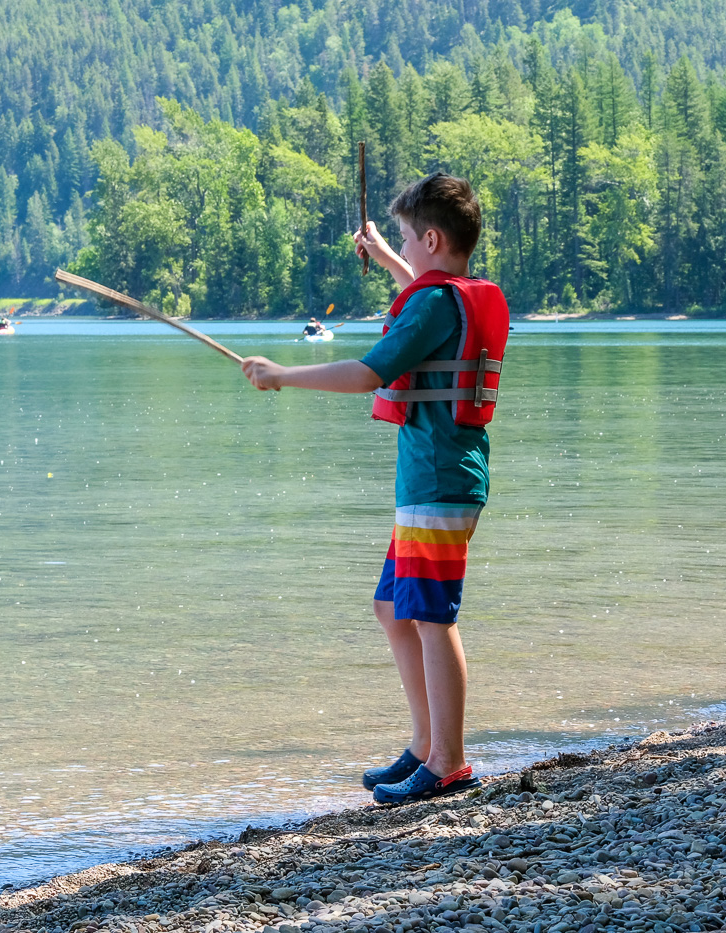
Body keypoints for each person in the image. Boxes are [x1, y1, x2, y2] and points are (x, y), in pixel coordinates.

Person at [241, 173, 510, 804]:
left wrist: (282, 375)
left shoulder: (432, 303)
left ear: (433, 237)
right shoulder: (444, 297)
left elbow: (368, 373)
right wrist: (390, 258)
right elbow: (421, 293)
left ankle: (448, 761)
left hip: (438, 483)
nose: (403, 250)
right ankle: (424, 746)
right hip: (436, 481)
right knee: (394, 608)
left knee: (431, 617)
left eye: (407, 239)